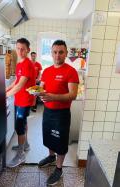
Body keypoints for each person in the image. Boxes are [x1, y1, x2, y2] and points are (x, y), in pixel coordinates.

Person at [38, 40, 79, 186]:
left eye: (61, 52)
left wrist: (52, 96)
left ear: (66, 53)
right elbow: (41, 88)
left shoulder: (71, 71)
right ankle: (51, 157)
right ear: (51, 53)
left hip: (61, 114)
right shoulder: (47, 71)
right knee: (48, 136)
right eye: (54, 52)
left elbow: (73, 95)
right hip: (47, 111)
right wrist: (37, 93)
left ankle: (59, 169)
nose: (57, 55)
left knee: (60, 141)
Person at [6, 38, 36, 168]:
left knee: (19, 126)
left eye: (23, 49)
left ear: (28, 50)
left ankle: (21, 155)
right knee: (22, 123)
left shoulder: (28, 65)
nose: (20, 51)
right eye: (18, 48)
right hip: (19, 99)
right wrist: (6, 89)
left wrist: (5, 95)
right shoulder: (19, 63)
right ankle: (26, 144)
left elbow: (20, 86)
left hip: (24, 100)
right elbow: (16, 82)